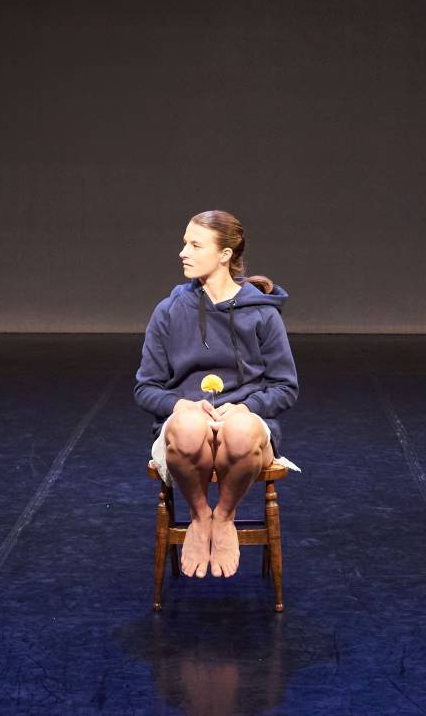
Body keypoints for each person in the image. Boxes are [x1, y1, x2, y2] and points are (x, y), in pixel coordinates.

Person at [136, 211, 298, 579]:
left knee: (239, 429)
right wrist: (181, 404)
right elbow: (145, 388)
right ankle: (199, 515)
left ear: (225, 254)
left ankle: (223, 516)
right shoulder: (169, 311)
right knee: (191, 424)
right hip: (186, 430)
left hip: (246, 427)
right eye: (184, 242)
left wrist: (246, 406)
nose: (183, 252)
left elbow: (285, 386)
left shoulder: (262, 314)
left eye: (195, 244)